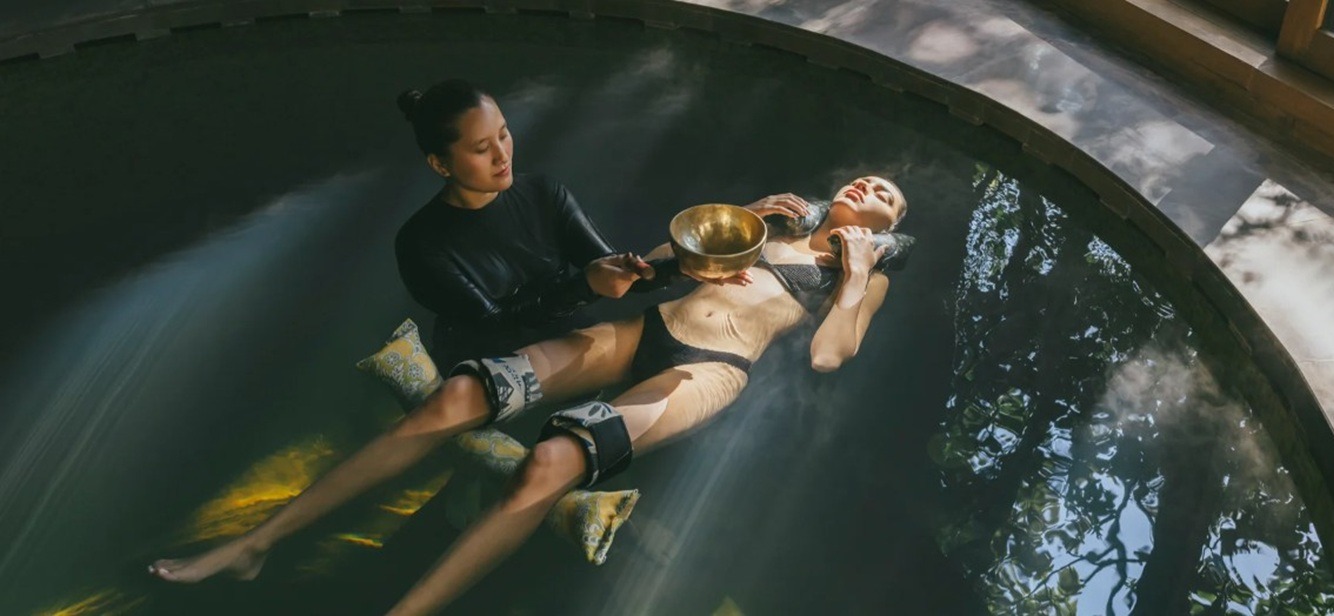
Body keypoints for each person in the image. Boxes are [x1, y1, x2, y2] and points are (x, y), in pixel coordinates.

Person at [150, 175, 910, 616]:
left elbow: (828, 356)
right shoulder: (768, 220)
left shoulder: (863, 280)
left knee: (549, 462)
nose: (869, 185)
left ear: (887, 227)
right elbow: (650, 268)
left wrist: (850, 274)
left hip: (705, 370)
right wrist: (676, 256)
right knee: (455, 398)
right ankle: (253, 544)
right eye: (866, 177)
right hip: (644, 329)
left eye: (887, 195)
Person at [392, 79, 657, 367]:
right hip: (485, 371)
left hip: (570, 343)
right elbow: (496, 325)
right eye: (482, 149)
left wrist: (685, 265)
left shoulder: (543, 193)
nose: (502, 155)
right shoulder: (420, 242)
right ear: (440, 165)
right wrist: (585, 286)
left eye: (503, 135)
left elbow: (612, 266)